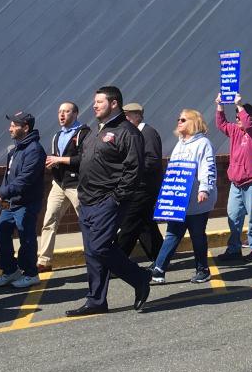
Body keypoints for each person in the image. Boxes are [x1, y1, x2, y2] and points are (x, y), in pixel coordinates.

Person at [61, 85, 151, 316]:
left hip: (108, 200)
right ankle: (96, 300)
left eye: (99, 102)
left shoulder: (127, 132)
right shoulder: (95, 132)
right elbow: (86, 160)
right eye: (94, 102)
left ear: (114, 104)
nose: (94, 105)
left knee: (100, 247)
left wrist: (116, 197)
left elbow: (134, 169)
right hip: (87, 200)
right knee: (92, 251)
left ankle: (140, 277)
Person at [149, 109, 216, 285]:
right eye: (178, 119)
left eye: (183, 119)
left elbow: (207, 168)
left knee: (197, 235)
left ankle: (203, 269)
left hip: (197, 201)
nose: (178, 122)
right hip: (179, 201)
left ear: (193, 122)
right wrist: (166, 195)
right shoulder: (180, 144)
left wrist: (205, 189)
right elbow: (174, 171)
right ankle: (159, 269)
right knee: (172, 234)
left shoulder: (203, 143)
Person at [0, 111, 45, 290]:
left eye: (14, 125)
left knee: (26, 238)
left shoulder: (34, 150)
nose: (10, 129)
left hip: (26, 202)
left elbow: (25, 179)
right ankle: (10, 270)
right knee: (1, 233)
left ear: (25, 128)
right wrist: (1, 194)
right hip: (10, 202)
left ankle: (30, 274)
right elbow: (9, 176)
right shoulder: (16, 149)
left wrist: (3, 194)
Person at [215, 94, 252, 263]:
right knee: (233, 215)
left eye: (240, 116)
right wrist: (220, 105)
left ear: (249, 117)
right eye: (236, 117)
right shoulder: (235, 130)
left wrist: (239, 104)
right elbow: (221, 124)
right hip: (236, 183)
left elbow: (248, 124)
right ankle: (234, 249)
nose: (237, 119)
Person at [38, 102, 89, 269]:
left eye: (66, 112)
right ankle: (44, 261)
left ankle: (94, 258)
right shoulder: (57, 135)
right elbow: (57, 157)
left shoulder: (84, 133)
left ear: (75, 114)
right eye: (59, 111)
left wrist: (59, 160)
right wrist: (52, 162)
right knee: (49, 220)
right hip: (59, 184)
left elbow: (84, 159)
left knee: (87, 222)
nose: (61, 115)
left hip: (77, 185)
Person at [116, 102, 164, 262]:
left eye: (127, 116)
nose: (125, 119)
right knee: (145, 224)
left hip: (144, 188)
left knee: (128, 223)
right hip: (137, 186)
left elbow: (152, 160)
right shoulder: (135, 133)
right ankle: (159, 257)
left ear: (137, 115)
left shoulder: (148, 133)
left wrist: (130, 169)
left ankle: (117, 261)